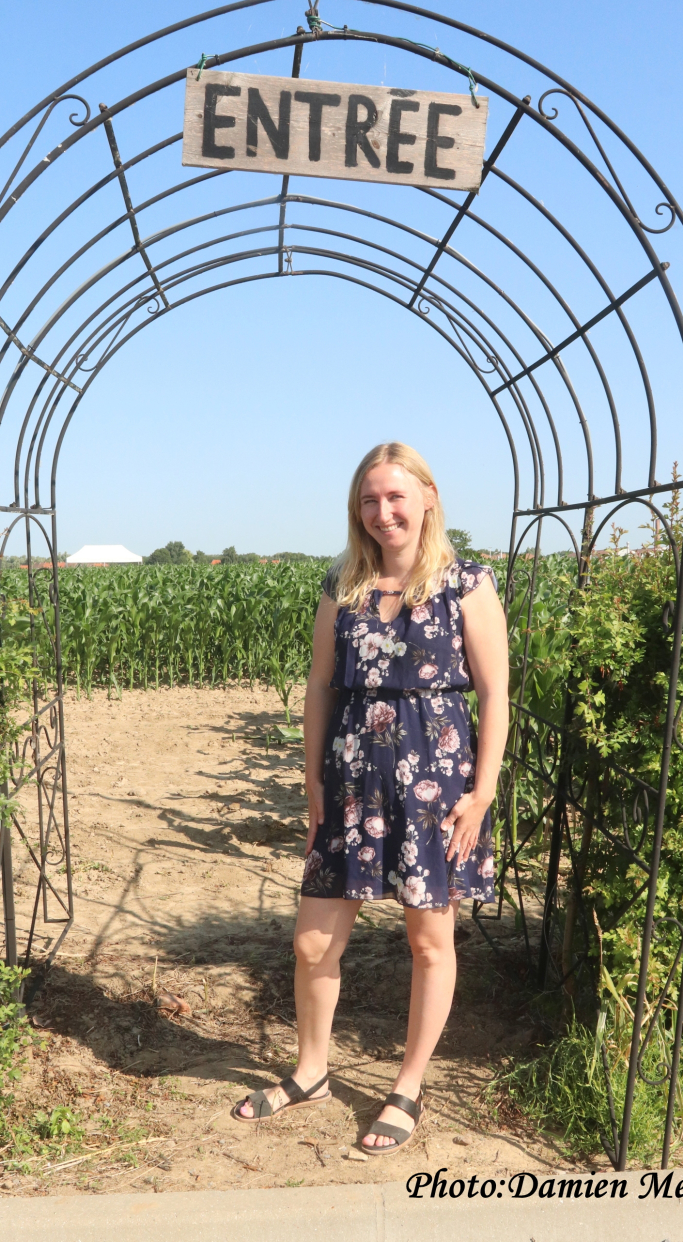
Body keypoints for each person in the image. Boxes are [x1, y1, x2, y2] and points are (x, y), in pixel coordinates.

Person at [234, 442, 509, 1154]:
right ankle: (311, 1071)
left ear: (427, 496)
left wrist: (482, 793)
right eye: (368, 499)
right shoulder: (343, 586)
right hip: (352, 780)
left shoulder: (467, 583)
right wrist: (312, 781)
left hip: (436, 783)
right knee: (312, 940)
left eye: (394, 496)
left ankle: (407, 1087)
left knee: (428, 942)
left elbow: (495, 694)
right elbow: (322, 686)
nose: (383, 512)